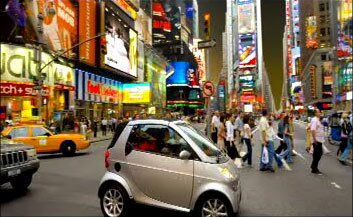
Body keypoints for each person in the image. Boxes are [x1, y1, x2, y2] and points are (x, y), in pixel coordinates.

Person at [310, 109, 325, 175]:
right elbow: (313, 130)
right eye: (319, 112)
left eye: (320, 112)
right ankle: (314, 168)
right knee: (318, 154)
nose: (320, 113)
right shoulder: (314, 120)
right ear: (315, 113)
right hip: (317, 140)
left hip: (320, 139)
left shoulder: (318, 119)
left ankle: (313, 167)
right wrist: (315, 140)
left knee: (318, 154)